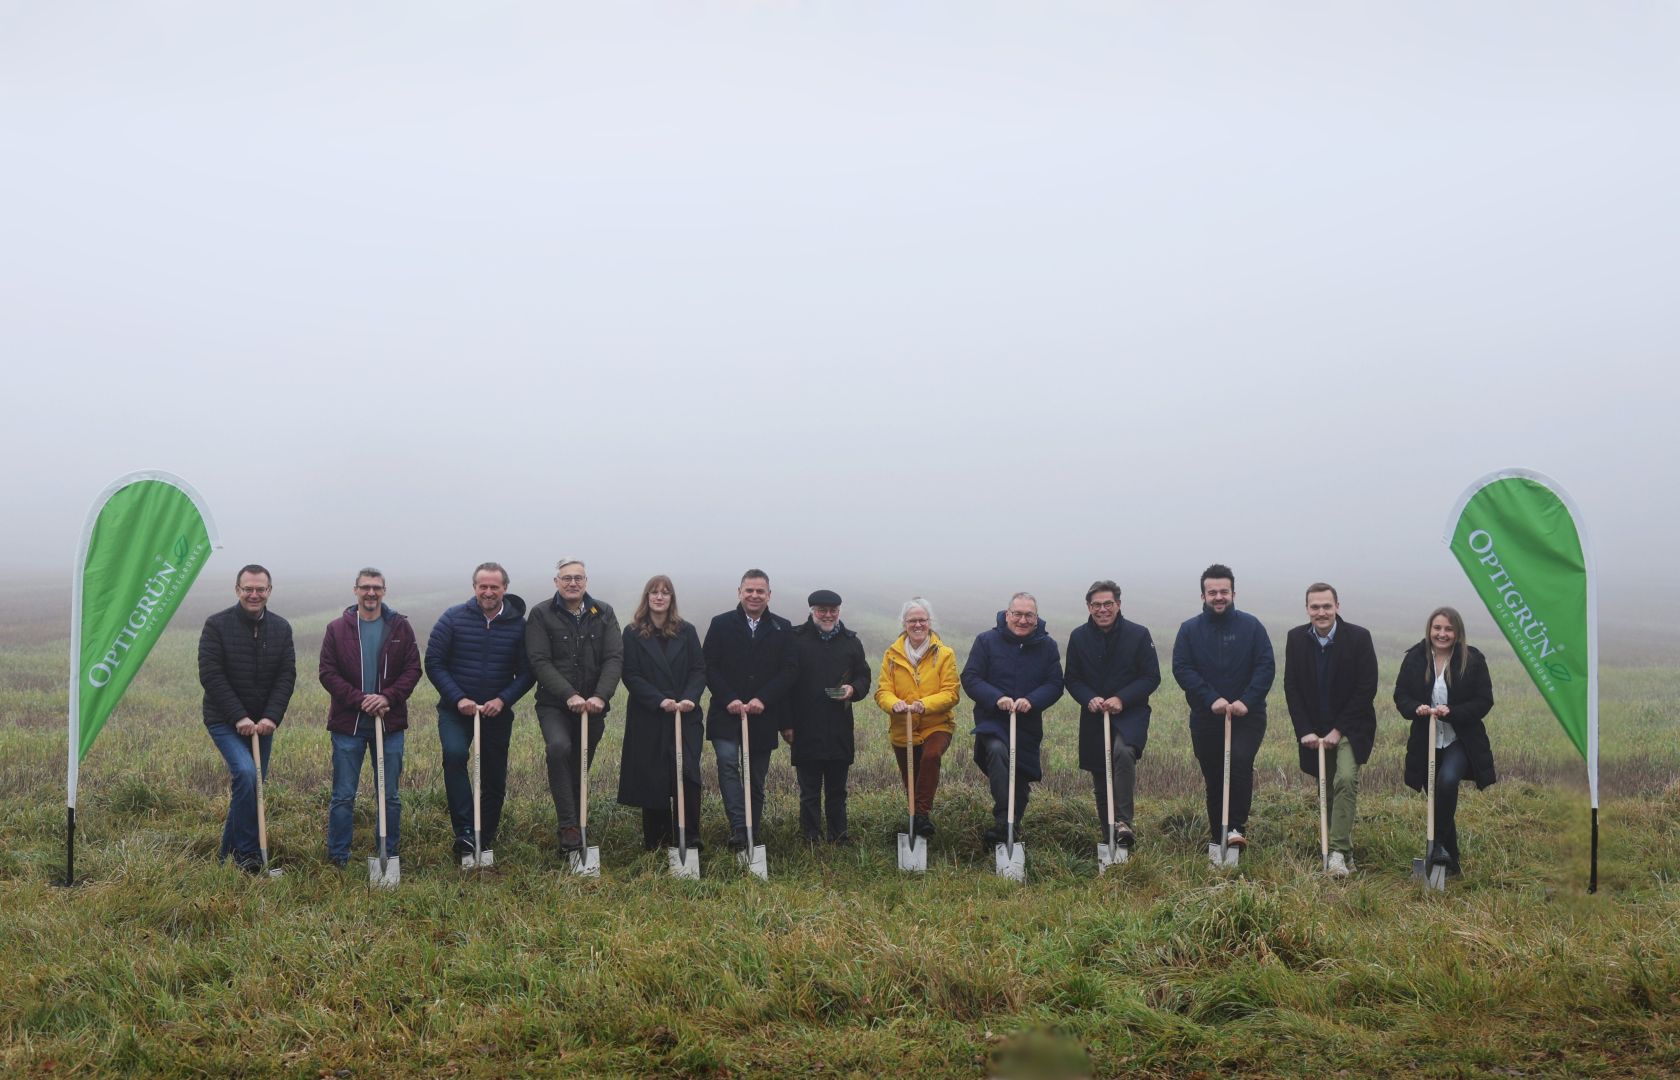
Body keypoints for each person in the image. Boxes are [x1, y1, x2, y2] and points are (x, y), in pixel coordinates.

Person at [425, 562, 534, 869]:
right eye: (482, 586)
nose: (488, 592)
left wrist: (503, 699)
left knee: (493, 776)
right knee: (455, 756)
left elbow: (527, 673)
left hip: (496, 712)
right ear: (474, 588)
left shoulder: (519, 626)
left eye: (494, 587)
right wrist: (458, 698)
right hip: (456, 710)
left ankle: (484, 838)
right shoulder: (453, 618)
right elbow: (434, 662)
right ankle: (464, 833)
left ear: (504, 589)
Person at [317, 567, 422, 876]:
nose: (371, 593)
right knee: (343, 794)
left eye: (376, 587)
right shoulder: (337, 628)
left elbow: (413, 670)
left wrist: (387, 697)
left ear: (384, 591)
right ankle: (338, 857)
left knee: (388, 794)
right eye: (365, 587)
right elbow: (327, 672)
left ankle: (388, 854)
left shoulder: (400, 628)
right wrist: (360, 699)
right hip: (348, 725)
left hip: (389, 725)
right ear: (355, 590)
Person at [198, 564, 297, 874]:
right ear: (237, 589)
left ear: (269, 591)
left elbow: (286, 675)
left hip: (263, 724)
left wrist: (271, 716)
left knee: (251, 787)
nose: (254, 594)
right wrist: (238, 716)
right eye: (248, 589)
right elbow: (211, 675)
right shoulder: (216, 625)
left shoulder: (281, 628)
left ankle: (226, 858)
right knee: (246, 774)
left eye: (260, 589)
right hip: (225, 720)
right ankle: (249, 859)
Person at [1171, 563, 1275, 852]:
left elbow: (1265, 666)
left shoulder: (1252, 626)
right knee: (1215, 775)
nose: (1219, 596)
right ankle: (1219, 835)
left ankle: (1237, 828)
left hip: (1248, 716)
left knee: (1239, 763)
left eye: (1224, 591)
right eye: (1212, 592)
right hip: (1206, 717)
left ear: (1233, 593)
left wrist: (1246, 701)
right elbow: (1182, 668)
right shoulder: (1189, 630)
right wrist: (1210, 698)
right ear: (1203, 595)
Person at [525, 558, 623, 856]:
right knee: (559, 749)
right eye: (566, 578)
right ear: (556, 582)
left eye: (578, 578)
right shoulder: (542, 613)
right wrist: (568, 694)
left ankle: (576, 831)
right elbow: (539, 660)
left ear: (586, 581)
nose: (572, 583)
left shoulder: (603, 613)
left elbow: (614, 658)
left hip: (593, 707)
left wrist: (601, 696)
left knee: (580, 766)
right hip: (555, 704)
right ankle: (569, 826)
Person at [1393, 605, 1496, 876]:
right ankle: (1452, 863)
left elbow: (1485, 700)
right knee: (1438, 798)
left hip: (1460, 740)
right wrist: (1416, 707)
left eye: (1448, 629)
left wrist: (1455, 713)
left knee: (1447, 782)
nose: (1442, 633)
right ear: (1429, 629)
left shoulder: (1472, 660)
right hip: (1425, 741)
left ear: (1457, 632)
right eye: (1437, 628)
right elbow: (1400, 695)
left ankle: (1436, 845)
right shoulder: (1415, 657)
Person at [1283, 582, 1378, 876]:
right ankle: (1343, 854)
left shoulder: (1359, 638)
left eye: (1326, 606)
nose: (1321, 612)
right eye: (1315, 607)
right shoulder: (1296, 638)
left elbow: (1366, 688)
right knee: (1326, 790)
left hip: (1352, 726)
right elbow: (1292, 687)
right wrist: (1304, 730)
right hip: (1314, 729)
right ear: (1307, 609)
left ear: (1337, 606)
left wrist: (1339, 729)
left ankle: (1336, 853)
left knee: (1345, 780)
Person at [961, 592, 1064, 847]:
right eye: (1017, 614)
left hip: (1027, 722)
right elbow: (971, 677)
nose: (1022, 620)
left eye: (1028, 615)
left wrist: (1033, 700)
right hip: (993, 719)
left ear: (1036, 617)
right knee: (997, 752)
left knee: (1020, 774)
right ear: (1007, 614)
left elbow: (1055, 683)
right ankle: (1002, 821)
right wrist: (997, 698)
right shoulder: (986, 641)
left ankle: (1011, 825)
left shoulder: (1047, 646)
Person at [1064, 579, 1161, 851]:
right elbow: (1072, 678)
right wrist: (1088, 698)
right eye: (1097, 604)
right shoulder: (1079, 637)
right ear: (1088, 606)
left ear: (1118, 604)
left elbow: (1151, 676)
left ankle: (1123, 823)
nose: (1103, 609)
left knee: (1122, 752)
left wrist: (1122, 698)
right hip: (1095, 713)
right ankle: (1109, 833)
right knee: (1100, 770)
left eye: (1108, 604)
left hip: (1131, 711)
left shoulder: (1138, 635)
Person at [704, 569, 796, 853]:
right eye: (749, 590)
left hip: (762, 716)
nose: (754, 595)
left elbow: (790, 670)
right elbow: (708, 666)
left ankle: (752, 833)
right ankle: (739, 829)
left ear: (769, 595)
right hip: (725, 713)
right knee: (729, 765)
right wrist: (729, 697)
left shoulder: (782, 627)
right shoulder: (720, 624)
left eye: (760, 591)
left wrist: (763, 699)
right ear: (739, 592)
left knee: (755, 778)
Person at [617, 575, 706, 852]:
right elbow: (630, 673)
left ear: (671, 598)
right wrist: (659, 701)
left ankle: (689, 837)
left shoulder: (687, 630)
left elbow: (698, 669)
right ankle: (657, 841)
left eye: (665, 593)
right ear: (646, 597)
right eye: (654, 592)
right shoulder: (632, 633)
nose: (659, 597)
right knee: (653, 776)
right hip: (649, 715)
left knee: (687, 774)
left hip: (685, 714)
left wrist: (690, 698)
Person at [783, 589, 871, 845]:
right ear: (812, 611)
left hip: (839, 727)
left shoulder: (851, 641)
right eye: (822, 610)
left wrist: (853, 689)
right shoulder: (795, 640)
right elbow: (785, 684)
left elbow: (864, 676)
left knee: (837, 790)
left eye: (833, 610)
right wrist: (786, 724)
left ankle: (839, 837)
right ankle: (810, 838)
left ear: (839, 611)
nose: (828, 615)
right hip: (804, 726)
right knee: (809, 791)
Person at [874, 597, 960, 838]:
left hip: (937, 724)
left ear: (930, 622)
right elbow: (883, 691)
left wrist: (925, 705)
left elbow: (951, 692)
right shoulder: (891, 655)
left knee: (930, 757)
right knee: (911, 778)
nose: (918, 624)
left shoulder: (944, 654)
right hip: (904, 726)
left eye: (922, 619)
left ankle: (921, 816)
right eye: (912, 620)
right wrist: (894, 704)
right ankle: (916, 822)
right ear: (904, 623)